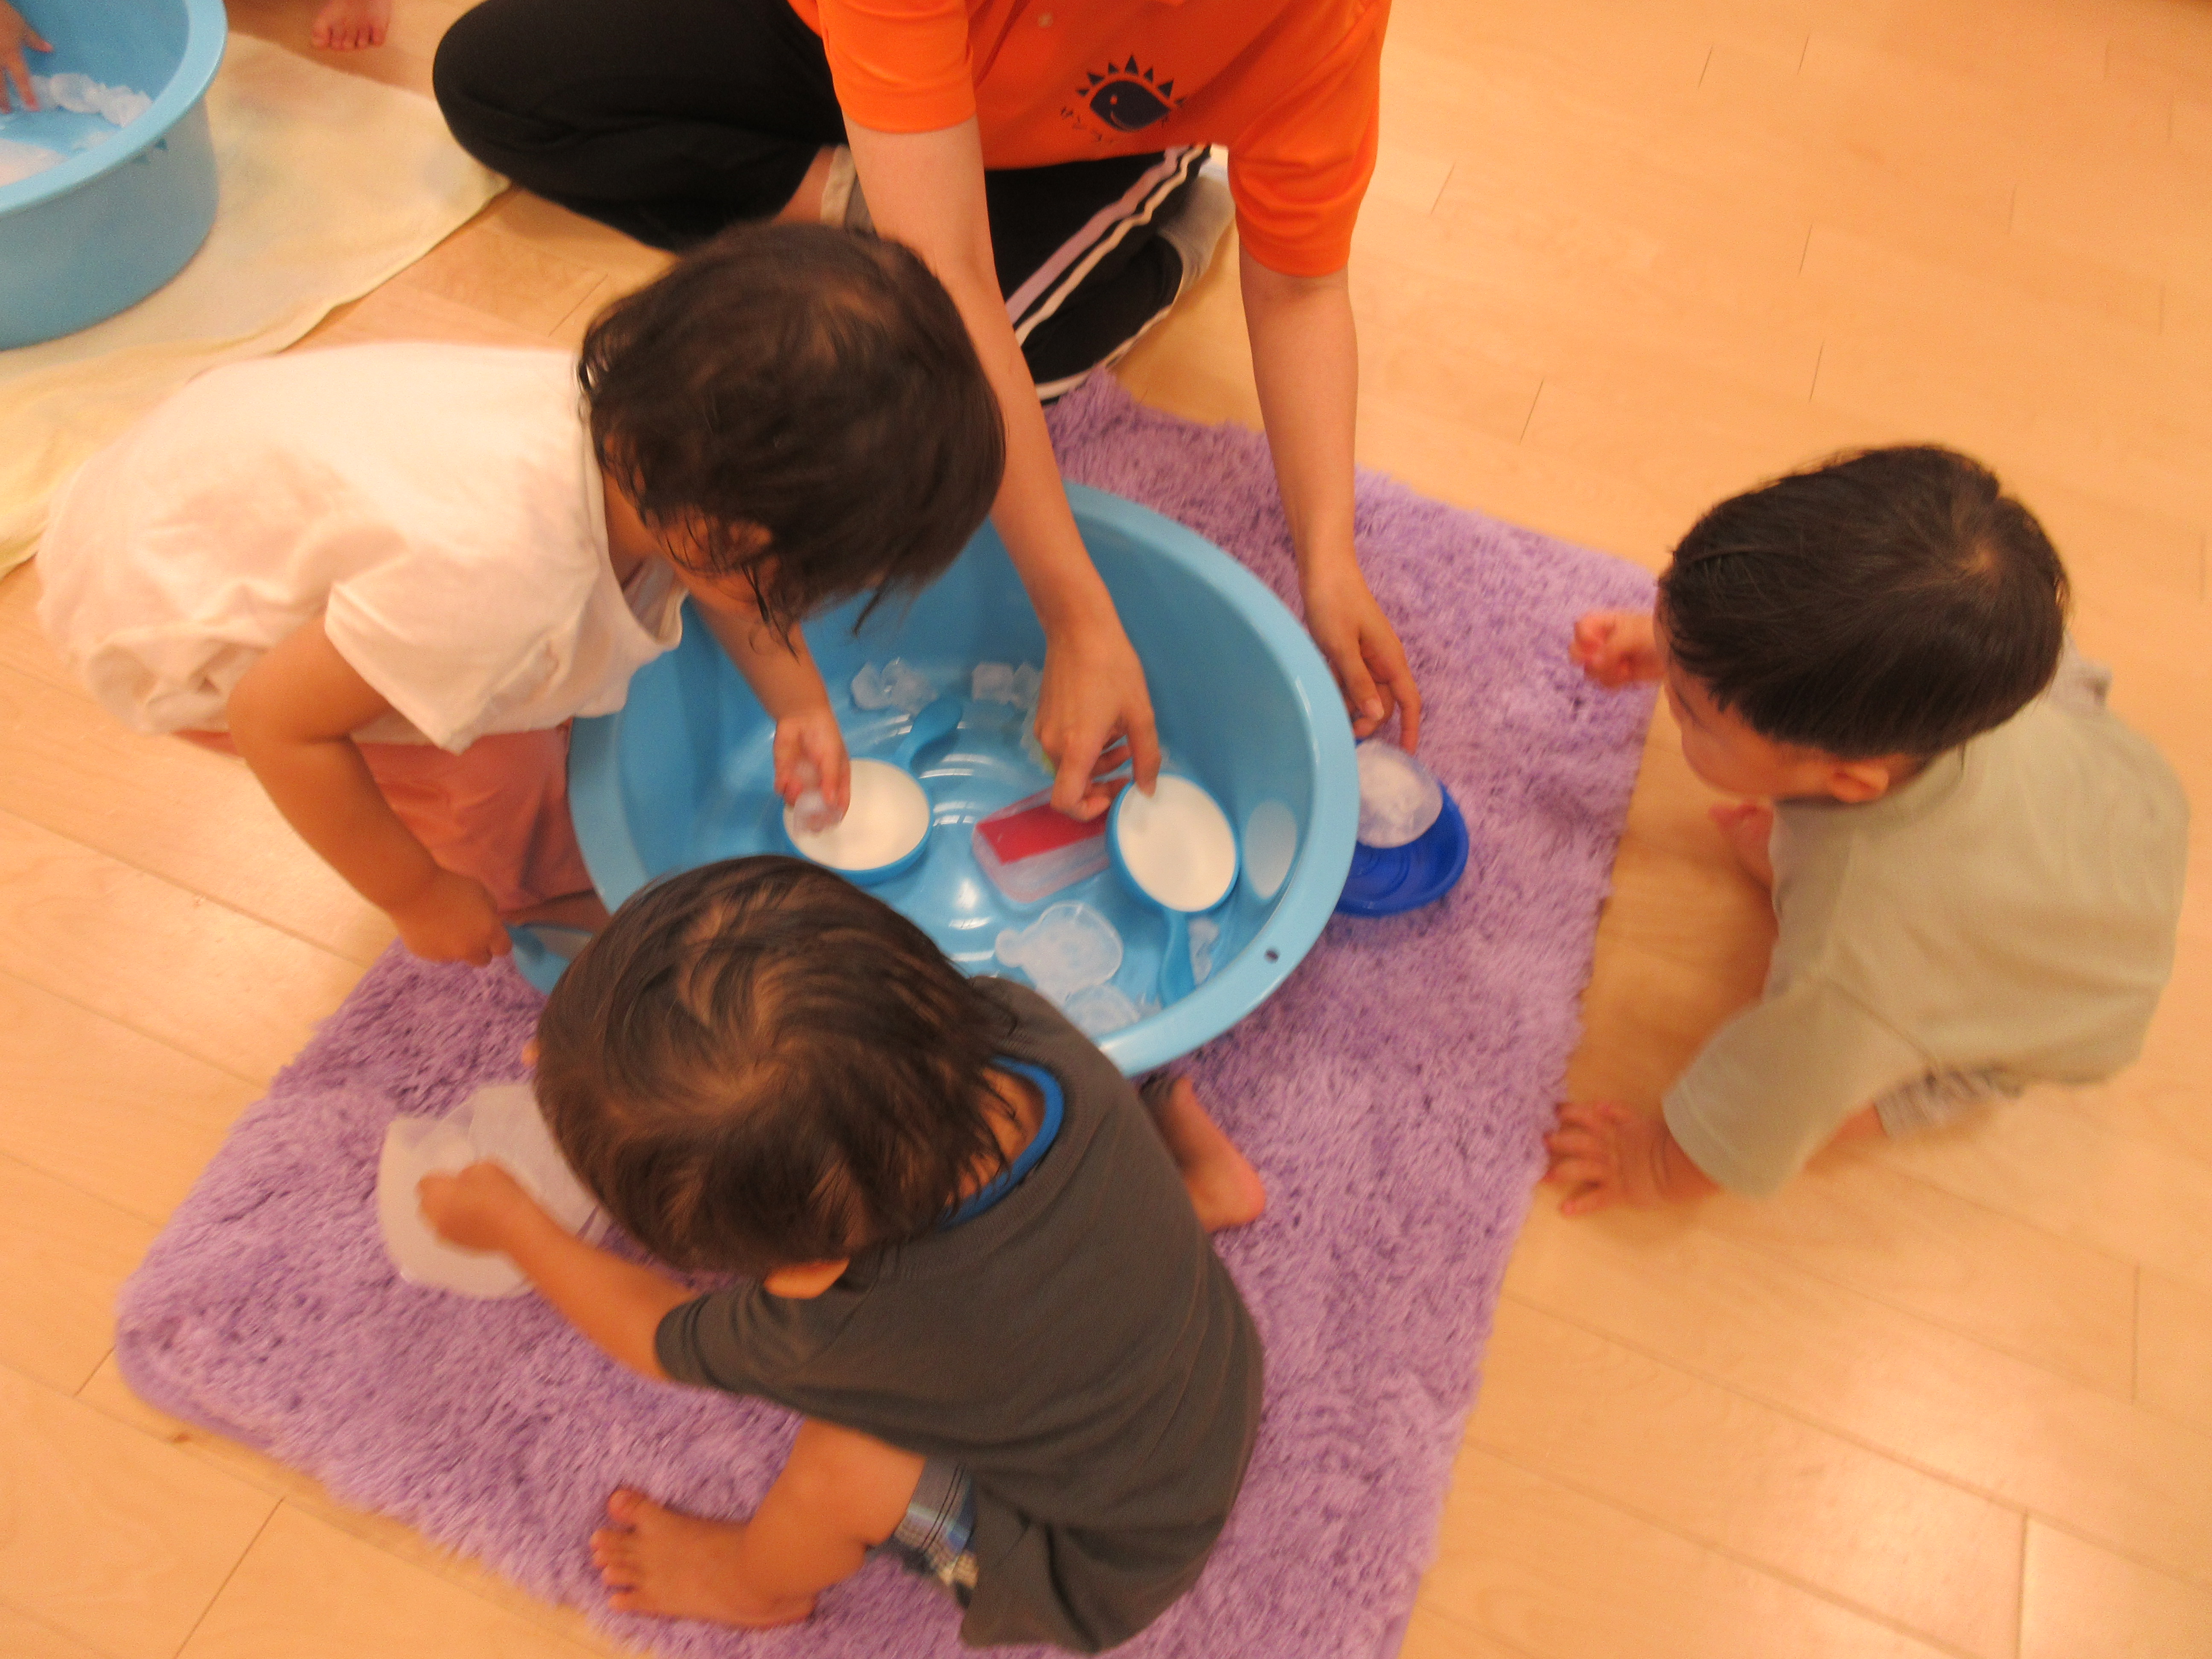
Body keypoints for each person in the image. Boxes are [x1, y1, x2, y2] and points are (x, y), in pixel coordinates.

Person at [431, 0, 1423, 823]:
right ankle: (899, 198)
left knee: (938, 389)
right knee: (490, 81)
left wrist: (1328, 558)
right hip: (849, 44)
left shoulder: (1314, 22)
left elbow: (1301, 291)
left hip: (1077, 130)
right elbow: (945, 274)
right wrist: (1074, 612)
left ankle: (1138, 201)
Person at [37, 224, 1003, 966]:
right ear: (723, 537)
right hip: (170, 605)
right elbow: (274, 720)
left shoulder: (663, 434)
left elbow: (730, 579)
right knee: (496, 785)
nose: (800, 609)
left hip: (221, 465)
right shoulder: (497, 586)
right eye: (806, 587)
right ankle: (536, 887)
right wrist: (415, 893)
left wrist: (800, 702)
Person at [417, 856, 1266, 1651]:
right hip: (1216, 1355)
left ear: (802, 1273)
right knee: (1095, 1221)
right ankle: (1200, 1193)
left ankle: (753, 1587)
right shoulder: (1015, 1025)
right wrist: (596, 1072)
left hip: (1103, 1557)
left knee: (842, 1467)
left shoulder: (846, 1320)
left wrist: (516, 1226)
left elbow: (659, 1336)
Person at [1547, 446, 2189, 1211]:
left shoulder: (1850, 956)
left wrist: (1655, 1163)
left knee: (1834, 1089)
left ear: (1852, 782)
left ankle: (1940, 1067)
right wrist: (1678, 648)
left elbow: (1768, 1100)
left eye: (1690, 710)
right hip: (2116, 817)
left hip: (2061, 1009)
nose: (1671, 703)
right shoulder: (1982, 659)